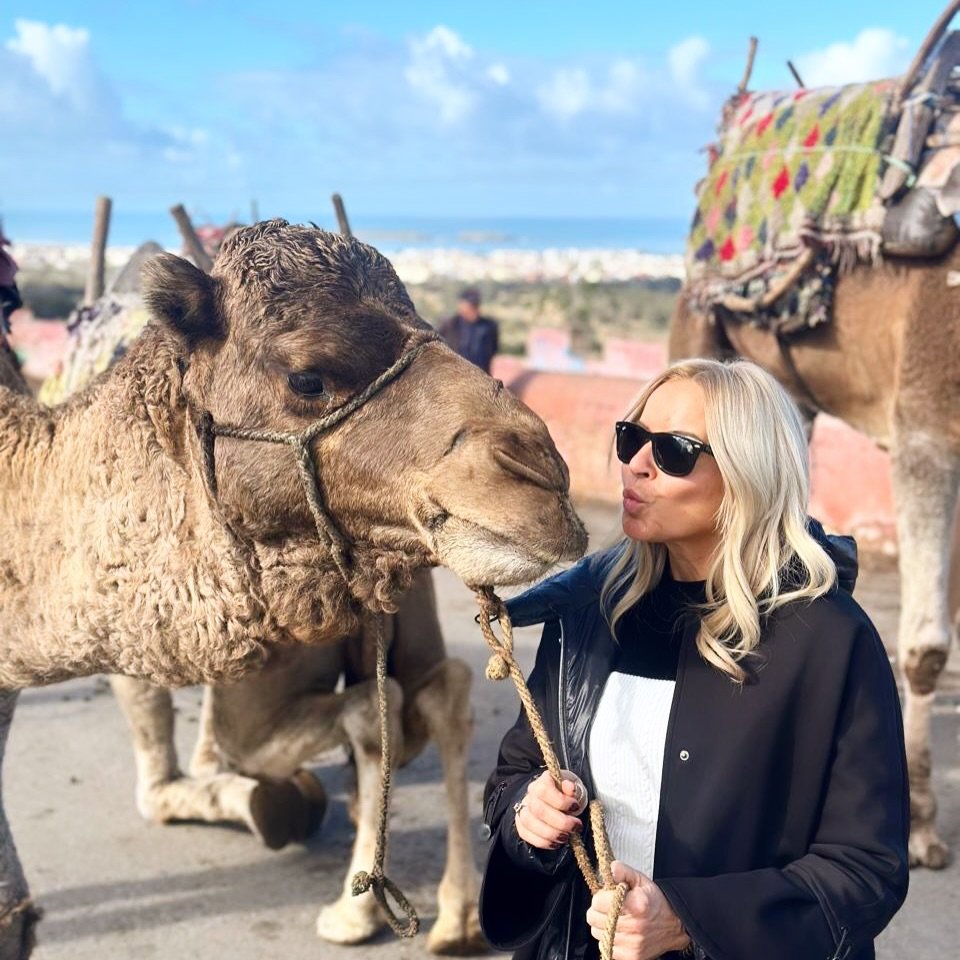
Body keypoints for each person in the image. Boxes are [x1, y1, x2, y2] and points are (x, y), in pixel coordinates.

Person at [479, 358, 909, 960]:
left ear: (747, 473)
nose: (637, 463)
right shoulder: (591, 612)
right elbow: (513, 775)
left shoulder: (830, 639)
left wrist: (685, 921)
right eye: (631, 438)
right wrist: (531, 816)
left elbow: (865, 870)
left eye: (674, 451)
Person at [438, 287, 499, 373]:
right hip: (454, 374)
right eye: (471, 306)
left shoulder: (489, 326)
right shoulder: (449, 325)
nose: (474, 310)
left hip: (481, 374)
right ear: (461, 305)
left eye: (476, 306)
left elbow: (493, 349)